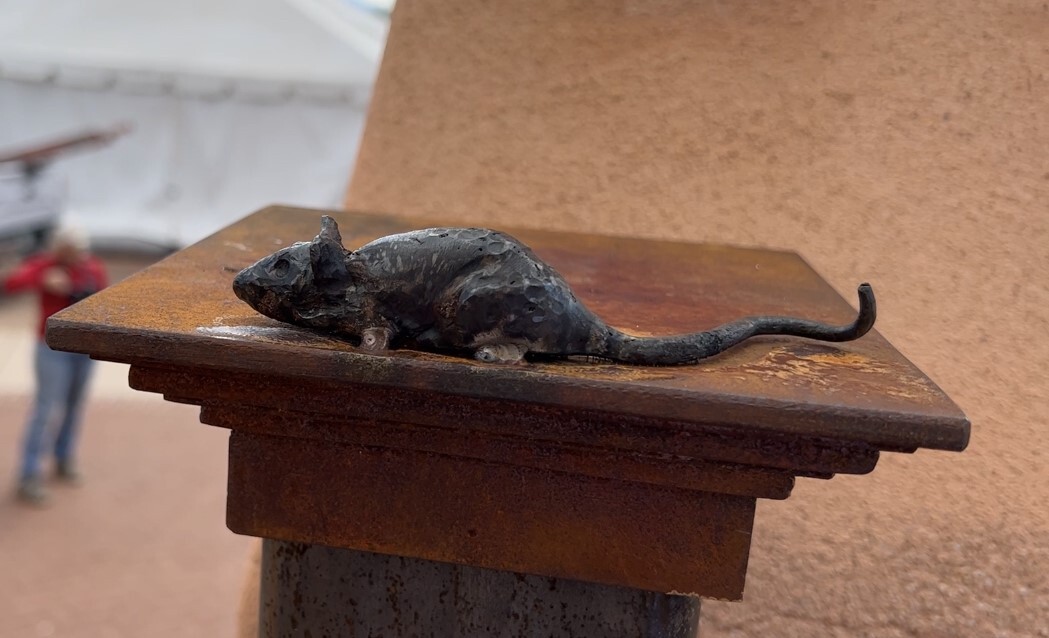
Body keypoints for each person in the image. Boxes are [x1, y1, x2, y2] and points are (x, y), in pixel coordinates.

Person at [3, 225, 107, 505]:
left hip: (82, 348)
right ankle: (29, 472)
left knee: (74, 405)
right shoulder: (45, 265)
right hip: (51, 349)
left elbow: (104, 298)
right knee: (46, 408)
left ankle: (63, 457)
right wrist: (43, 278)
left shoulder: (91, 267)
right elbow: (12, 283)